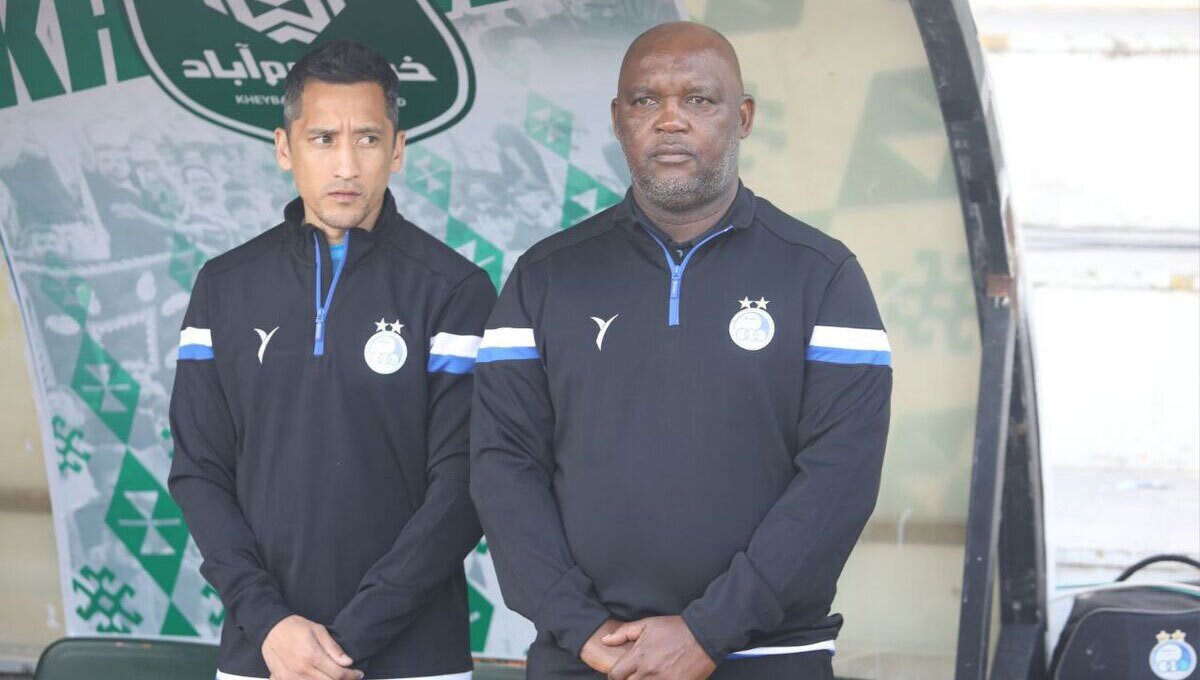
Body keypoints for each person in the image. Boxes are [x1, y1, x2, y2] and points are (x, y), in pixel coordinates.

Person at [470, 22, 892, 680]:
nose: (670, 120)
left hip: (767, 655)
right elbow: (503, 468)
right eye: (646, 100)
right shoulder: (544, 278)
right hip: (589, 657)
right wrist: (579, 625)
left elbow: (840, 481)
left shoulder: (823, 276)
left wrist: (709, 630)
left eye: (699, 99)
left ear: (742, 117)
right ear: (618, 119)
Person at [169, 40, 495, 680]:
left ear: (397, 150)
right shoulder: (223, 287)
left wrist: (346, 640)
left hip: (415, 659)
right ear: (284, 147)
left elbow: (465, 487)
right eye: (322, 139)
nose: (346, 164)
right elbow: (199, 473)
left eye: (367, 139)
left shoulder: (455, 290)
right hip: (265, 654)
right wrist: (270, 624)